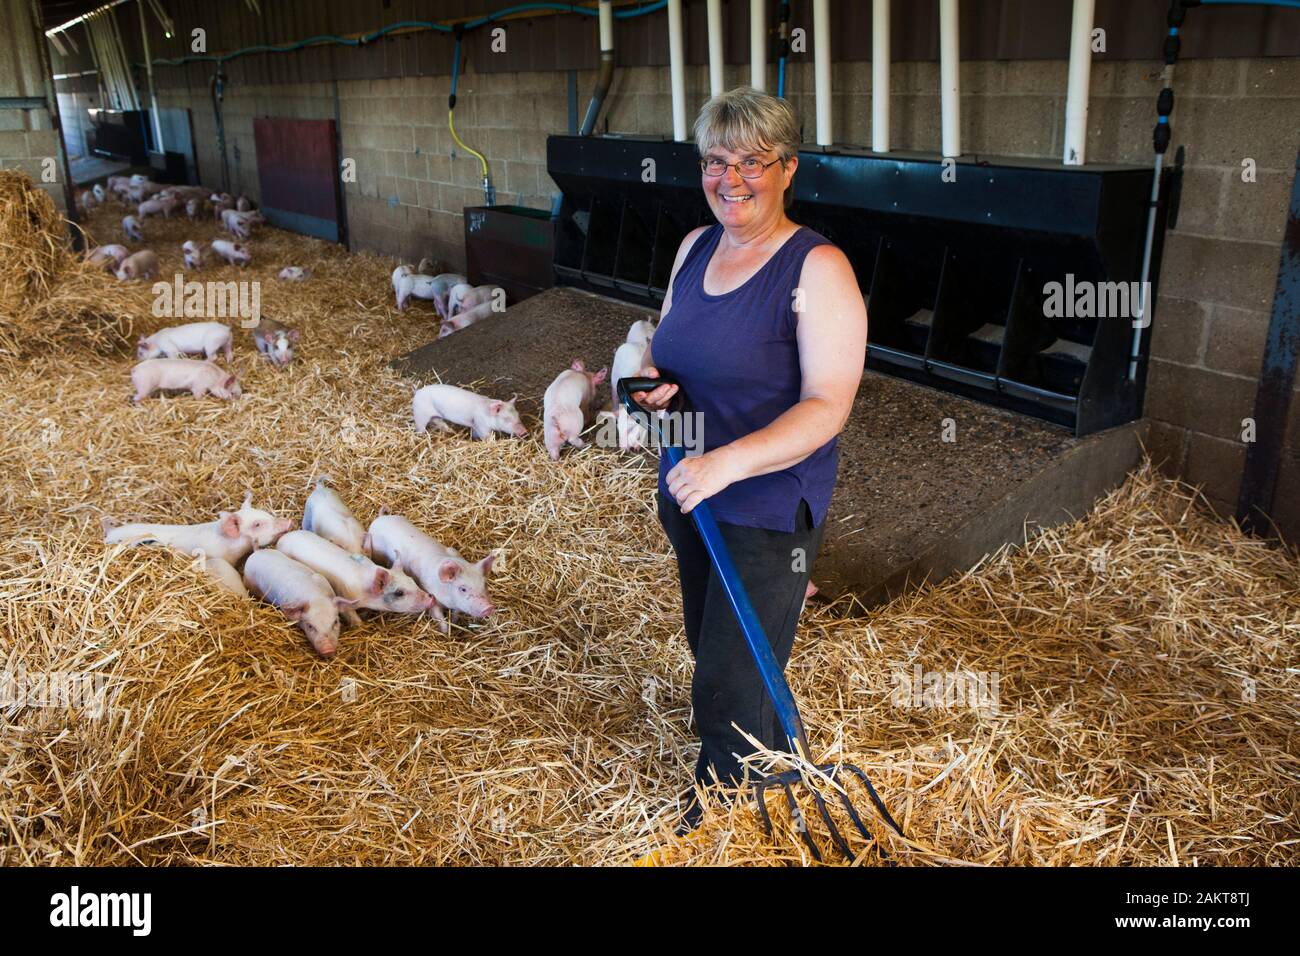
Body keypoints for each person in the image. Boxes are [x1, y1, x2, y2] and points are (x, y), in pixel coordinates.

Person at [631, 86, 869, 832]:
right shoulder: (694, 248)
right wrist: (648, 388)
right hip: (693, 493)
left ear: (788, 168)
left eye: (751, 163)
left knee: (731, 678)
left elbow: (827, 404)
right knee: (715, 646)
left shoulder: (816, 268)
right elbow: (663, 344)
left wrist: (728, 462)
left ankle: (724, 818)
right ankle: (767, 761)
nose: (730, 180)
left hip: (764, 508)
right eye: (715, 161)